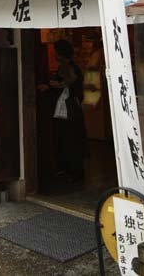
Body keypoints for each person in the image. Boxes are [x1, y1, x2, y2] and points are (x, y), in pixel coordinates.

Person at [48, 39, 87, 182]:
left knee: (70, 139)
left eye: (55, 52)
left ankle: (72, 171)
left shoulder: (69, 67)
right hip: (69, 109)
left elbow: (71, 82)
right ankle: (69, 169)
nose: (54, 55)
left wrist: (60, 84)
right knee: (68, 139)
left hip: (70, 110)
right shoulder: (66, 66)